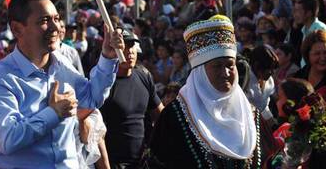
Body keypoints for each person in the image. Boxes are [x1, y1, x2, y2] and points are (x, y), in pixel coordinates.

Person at [0, 0, 124, 168]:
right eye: (44, 21)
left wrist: (107, 57)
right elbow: (8, 138)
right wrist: (53, 114)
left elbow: (92, 98)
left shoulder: (61, 63)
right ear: (17, 29)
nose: (56, 27)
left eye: (56, 18)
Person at [150, 15, 277, 168]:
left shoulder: (252, 115)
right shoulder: (173, 118)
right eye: (217, 66)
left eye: (230, 65)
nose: (226, 72)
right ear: (200, 72)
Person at [100, 28, 164, 168]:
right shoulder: (103, 84)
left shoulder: (143, 76)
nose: (130, 52)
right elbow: (96, 133)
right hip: (114, 163)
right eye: (125, 47)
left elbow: (160, 116)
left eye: (132, 46)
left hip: (142, 162)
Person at [293, 0, 326, 65]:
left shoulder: (320, 29)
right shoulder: (304, 30)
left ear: (309, 13)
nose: (295, 14)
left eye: (298, 11)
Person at [245, 45, 279, 122]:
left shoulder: (269, 81)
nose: (272, 72)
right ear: (257, 66)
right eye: (269, 69)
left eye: (273, 69)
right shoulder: (244, 81)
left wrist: (272, 123)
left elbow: (264, 108)